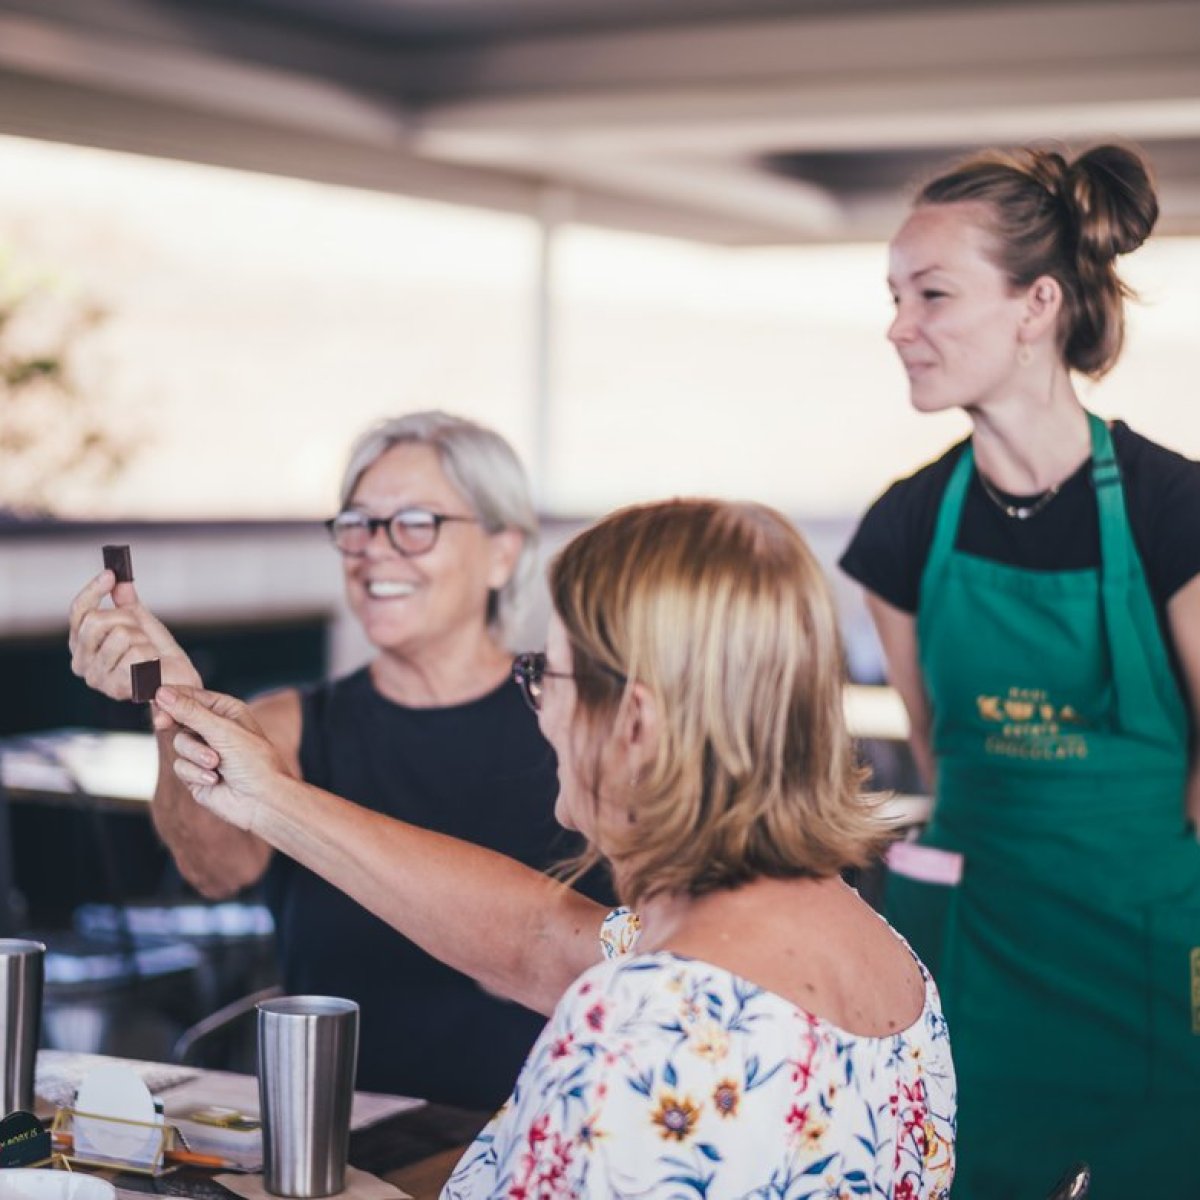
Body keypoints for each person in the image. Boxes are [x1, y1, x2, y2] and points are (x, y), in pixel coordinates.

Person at [154, 498, 956, 1198]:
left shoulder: (639, 1025)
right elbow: (537, 935)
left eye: (548, 676)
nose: (539, 712)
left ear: (634, 722)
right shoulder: (881, 958)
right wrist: (270, 798)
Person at [840, 143, 1200, 1199]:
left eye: (933, 294)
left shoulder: (1171, 508)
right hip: (975, 951)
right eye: (895, 296)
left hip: (1149, 939)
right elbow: (935, 750)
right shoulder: (903, 529)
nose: (900, 326)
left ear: (1037, 304)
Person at [67, 410, 607, 1109]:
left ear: (504, 552)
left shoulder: (572, 722)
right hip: (338, 1140)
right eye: (356, 524)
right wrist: (174, 706)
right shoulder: (288, 725)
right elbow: (213, 867)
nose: (374, 551)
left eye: (416, 523)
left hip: (540, 1134)